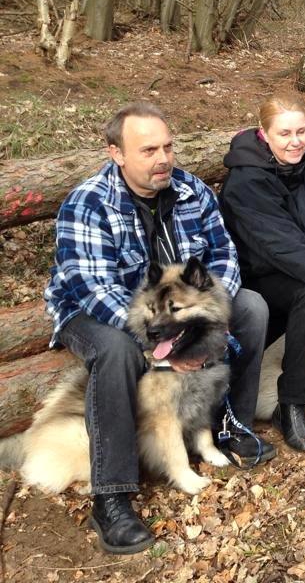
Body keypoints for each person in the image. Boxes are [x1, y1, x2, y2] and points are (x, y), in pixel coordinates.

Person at [44, 103, 274, 556]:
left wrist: (214, 317)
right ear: (116, 153)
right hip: (95, 312)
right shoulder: (89, 202)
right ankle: (111, 495)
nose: (164, 158)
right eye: (148, 150)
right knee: (116, 351)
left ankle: (231, 426)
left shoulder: (191, 190)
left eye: (168, 146)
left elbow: (223, 257)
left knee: (252, 307)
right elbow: (93, 289)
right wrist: (159, 349)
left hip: (179, 309)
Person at [219, 95, 305, 453]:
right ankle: (291, 404)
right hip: (264, 275)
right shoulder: (246, 183)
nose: (296, 141)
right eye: (285, 134)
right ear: (264, 134)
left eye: (302, 132)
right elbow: (282, 248)